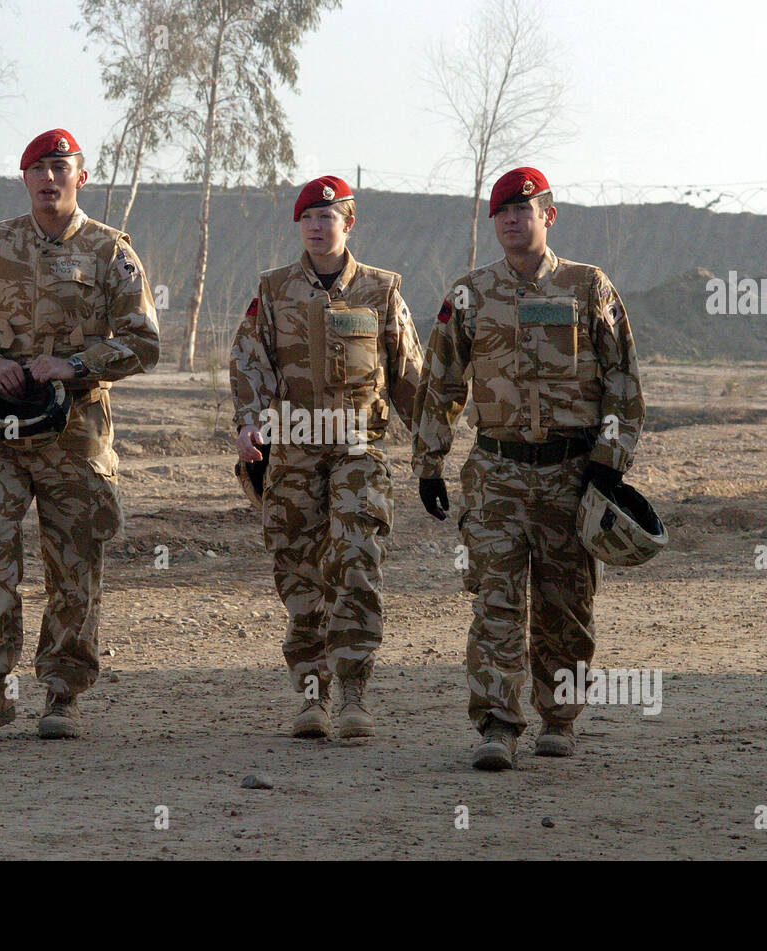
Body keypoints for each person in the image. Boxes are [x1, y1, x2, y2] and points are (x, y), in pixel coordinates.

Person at [411, 167, 644, 769]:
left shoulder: (589, 288)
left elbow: (623, 383)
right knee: (496, 601)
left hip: (571, 475)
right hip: (495, 474)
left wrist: (609, 461)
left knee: (566, 605)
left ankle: (559, 719)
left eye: (523, 208)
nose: (511, 219)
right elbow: (440, 384)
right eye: (501, 212)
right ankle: (497, 725)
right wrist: (429, 463)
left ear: (549, 214)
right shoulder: (469, 293)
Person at [0, 128, 159, 738]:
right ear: (25, 180)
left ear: (80, 177)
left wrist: (77, 363)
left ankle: (62, 693)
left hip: (77, 434)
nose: (48, 179)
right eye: (37, 170)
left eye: (59, 168)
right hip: (5, 431)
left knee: (74, 563)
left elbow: (143, 341)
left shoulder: (110, 251)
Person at [231, 175, 424, 740]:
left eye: (328, 216)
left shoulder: (382, 291)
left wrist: (431, 448)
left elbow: (410, 373)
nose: (317, 227)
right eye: (308, 219)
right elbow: (249, 359)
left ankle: (354, 693)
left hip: (358, 448)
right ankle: (311, 696)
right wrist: (249, 423)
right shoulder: (273, 289)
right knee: (298, 568)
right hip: (292, 448)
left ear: (349, 223)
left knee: (357, 557)